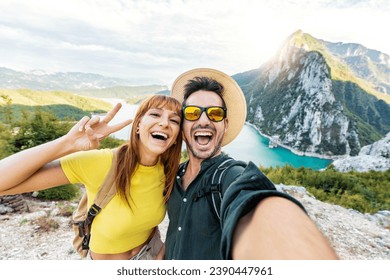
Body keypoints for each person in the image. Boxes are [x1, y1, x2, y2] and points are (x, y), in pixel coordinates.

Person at [166, 68, 339, 260]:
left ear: (226, 124)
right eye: (192, 113)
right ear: (182, 124)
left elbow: (252, 201)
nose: (204, 120)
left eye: (215, 113)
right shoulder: (175, 175)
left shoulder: (229, 176)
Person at [0, 94, 183, 260]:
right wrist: (68, 143)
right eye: (156, 115)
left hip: (152, 254)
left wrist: (160, 258)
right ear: (137, 126)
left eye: (174, 120)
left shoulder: (171, 172)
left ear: (175, 137)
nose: (165, 123)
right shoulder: (101, 162)